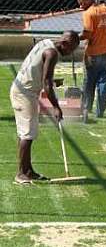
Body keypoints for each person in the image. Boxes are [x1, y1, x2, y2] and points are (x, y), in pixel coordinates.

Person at [10, 31, 80, 184]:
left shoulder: (45, 42)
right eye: (72, 48)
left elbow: (38, 72)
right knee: (27, 134)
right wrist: (56, 107)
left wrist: (52, 81)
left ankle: (28, 171)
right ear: (65, 43)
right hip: (24, 93)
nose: (71, 52)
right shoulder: (52, 53)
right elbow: (46, 83)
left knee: (28, 133)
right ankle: (21, 173)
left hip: (24, 90)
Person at [78, 0, 106, 122]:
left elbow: (88, 33)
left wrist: (74, 38)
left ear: (88, 0)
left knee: (89, 82)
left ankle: (86, 108)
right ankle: (100, 111)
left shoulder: (89, 13)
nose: (80, 6)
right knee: (103, 82)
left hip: (93, 54)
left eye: (81, 3)